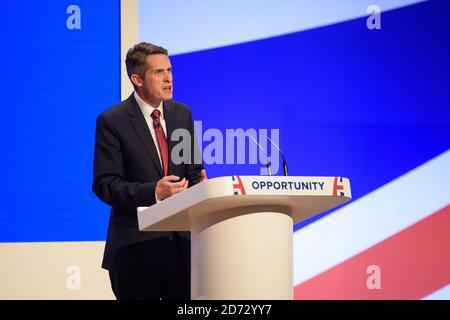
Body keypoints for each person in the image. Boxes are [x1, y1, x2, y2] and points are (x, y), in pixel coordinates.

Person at [92, 42, 206, 300]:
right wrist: (154, 192)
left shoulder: (181, 115)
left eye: (169, 70)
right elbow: (105, 183)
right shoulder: (112, 121)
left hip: (181, 252)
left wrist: (200, 186)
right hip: (135, 250)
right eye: (158, 72)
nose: (168, 79)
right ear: (137, 79)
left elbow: (193, 170)